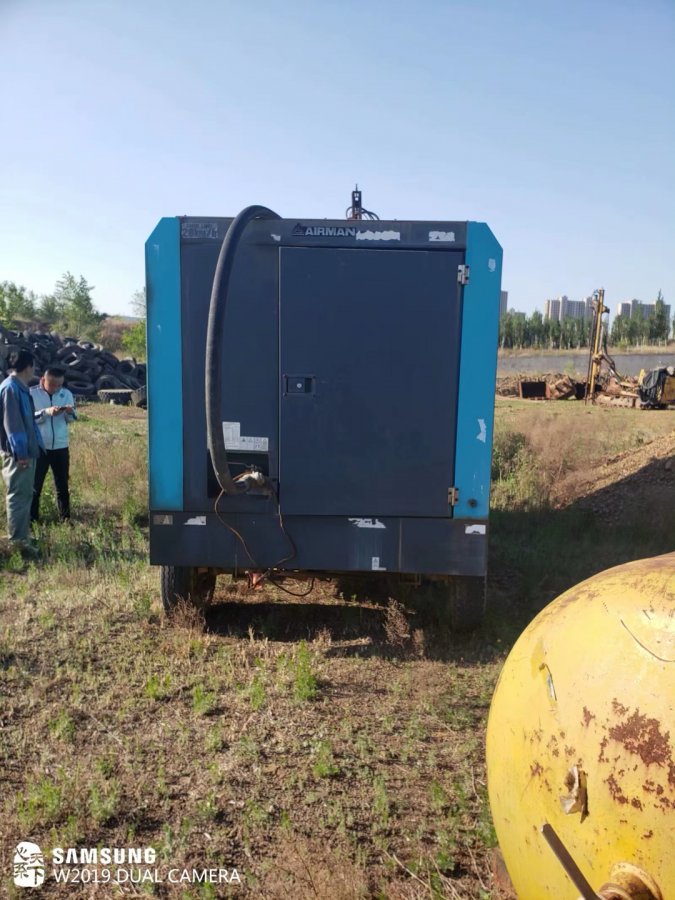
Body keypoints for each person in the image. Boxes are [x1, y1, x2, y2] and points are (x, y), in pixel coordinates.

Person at [0, 350, 44, 556]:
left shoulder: (19, 388)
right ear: (28, 366)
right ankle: (18, 542)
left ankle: (22, 535)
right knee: (18, 496)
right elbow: (13, 425)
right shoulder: (10, 389)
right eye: (33, 366)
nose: (34, 370)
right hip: (19, 455)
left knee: (25, 494)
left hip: (26, 452)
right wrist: (21, 453)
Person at [30, 366, 77, 523]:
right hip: (39, 447)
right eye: (53, 384)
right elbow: (28, 419)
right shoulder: (32, 394)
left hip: (61, 447)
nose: (56, 388)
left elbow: (72, 419)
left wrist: (70, 413)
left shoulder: (66, 394)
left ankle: (65, 519)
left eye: (59, 385)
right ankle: (32, 521)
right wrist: (46, 412)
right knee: (35, 487)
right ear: (43, 380)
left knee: (62, 486)